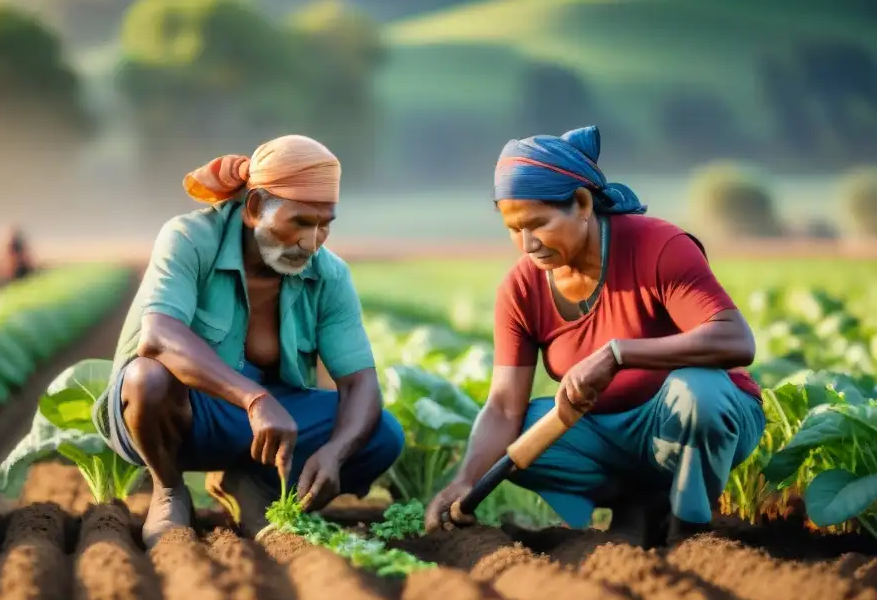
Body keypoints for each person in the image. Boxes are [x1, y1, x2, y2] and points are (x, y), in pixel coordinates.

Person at [424, 126, 764, 547]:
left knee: (699, 392)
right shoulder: (521, 289)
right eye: (513, 228)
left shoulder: (657, 246)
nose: (527, 243)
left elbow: (736, 340)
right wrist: (465, 480)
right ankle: (638, 505)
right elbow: (502, 405)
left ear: (582, 204)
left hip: (696, 418)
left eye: (538, 223)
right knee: (523, 431)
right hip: (608, 435)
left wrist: (618, 353)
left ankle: (688, 526)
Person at [92, 135, 404, 548]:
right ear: (255, 208)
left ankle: (253, 483)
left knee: (382, 433)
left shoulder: (329, 275)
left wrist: (336, 454)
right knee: (146, 378)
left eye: (325, 224)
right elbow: (159, 336)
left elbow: (360, 383)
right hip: (185, 414)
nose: (312, 242)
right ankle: (168, 489)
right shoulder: (189, 238)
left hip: (270, 429)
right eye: (300, 223)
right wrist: (254, 399)